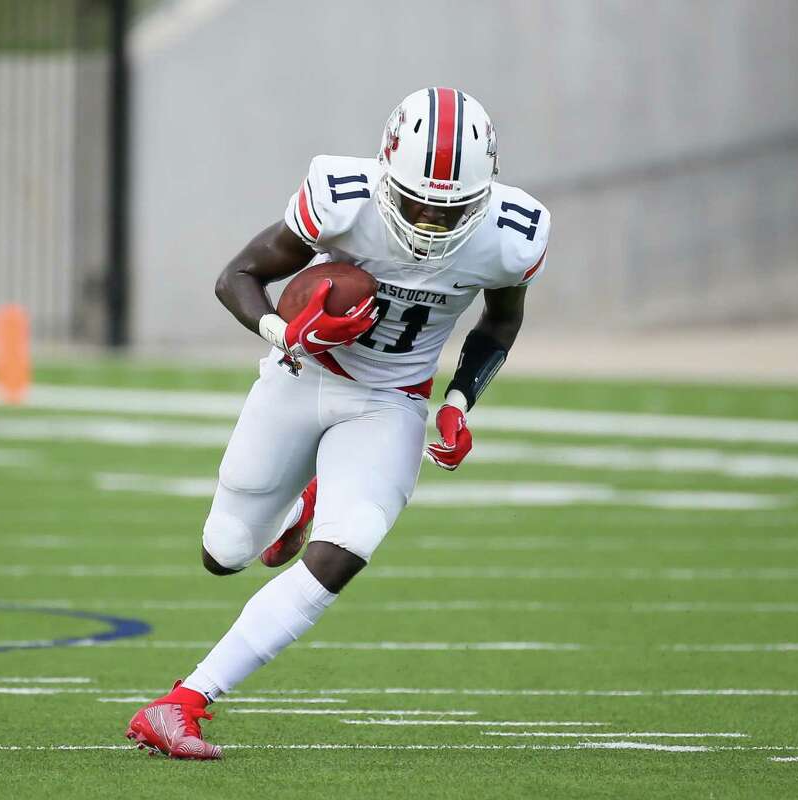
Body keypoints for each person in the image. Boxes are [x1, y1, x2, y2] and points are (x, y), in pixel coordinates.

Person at [124, 88, 550, 759]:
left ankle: (183, 702)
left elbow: (501, 319)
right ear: (386, 173)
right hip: (301, 377)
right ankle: (296, 506)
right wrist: (284, 329)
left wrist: (461, 399)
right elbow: (236, 275)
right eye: (417, 202)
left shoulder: (512, 232)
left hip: (392, 401)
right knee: (225, 552)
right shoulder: (341, 195)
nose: (433, 222)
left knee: (344, 549)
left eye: (454, 208)